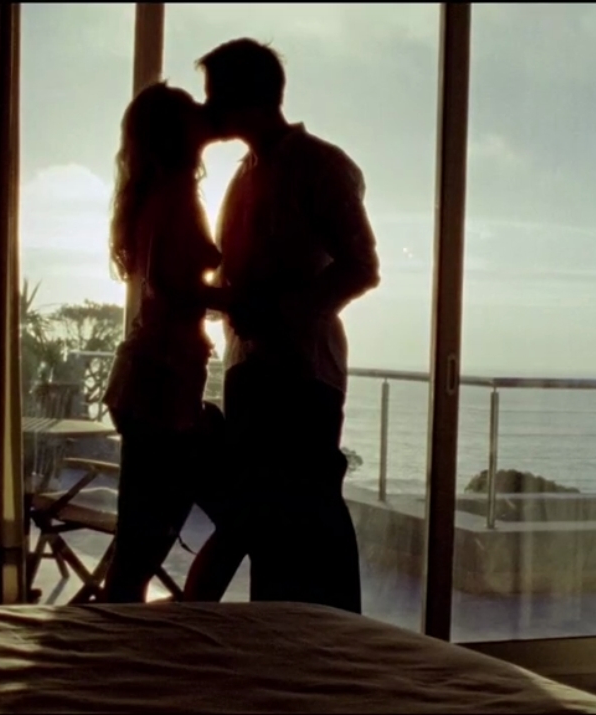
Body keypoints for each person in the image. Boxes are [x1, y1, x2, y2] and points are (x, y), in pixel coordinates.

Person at [198, 38, 381, 613]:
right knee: (273, 536)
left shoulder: (320, 166)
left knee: (302, 526)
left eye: (215, 96)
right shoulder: (245, 176)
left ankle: (325, 641)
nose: (208, 108)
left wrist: (278, 315)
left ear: (244, 97)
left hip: (301, 376)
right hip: (251, 370)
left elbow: (361, 266)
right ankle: (282, 645)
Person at [100, 81, 246, 604]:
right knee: (154, 543)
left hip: (152, 382)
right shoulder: (176, 196)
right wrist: (243, 301)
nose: (204, 115)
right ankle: (166, 628)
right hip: (160, 385)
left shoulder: (157, 194)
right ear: (176, 134)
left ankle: (162, 627)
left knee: (143, 544)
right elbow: (172, 285)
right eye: (192, 113)